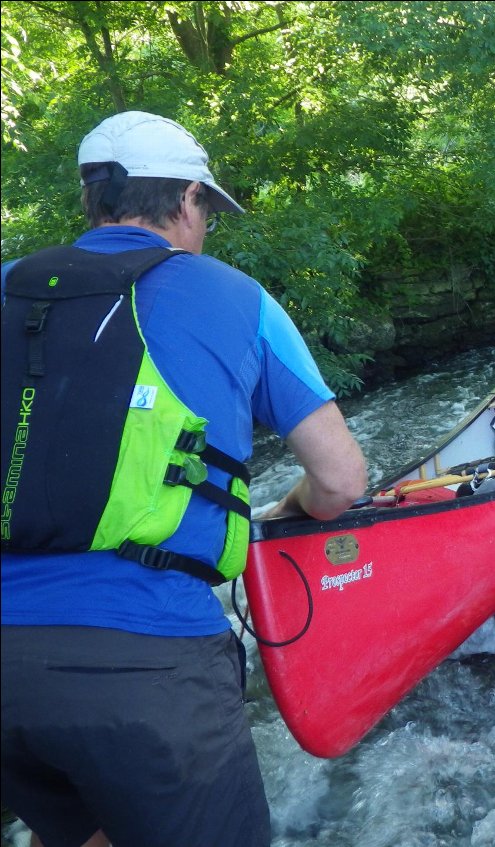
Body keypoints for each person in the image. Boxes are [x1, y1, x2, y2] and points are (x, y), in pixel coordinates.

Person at [0, 111, 369, 847]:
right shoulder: (234, 297)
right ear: (187, 201)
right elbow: (341, 478)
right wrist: (293, 505)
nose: (205, 230)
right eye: (207, 211)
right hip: (150, 664)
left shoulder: (10, 283)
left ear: (94, 199)